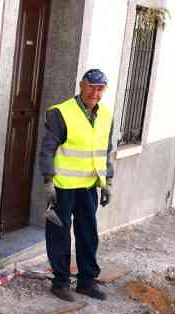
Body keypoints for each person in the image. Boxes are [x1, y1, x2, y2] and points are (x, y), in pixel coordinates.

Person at [38, 69, 115, 301]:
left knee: (88, 235)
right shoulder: (60, 113)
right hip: (62, 186)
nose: (95, 93)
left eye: (100, 89)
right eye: (91, 87)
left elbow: (106, 150)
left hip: (89, 186)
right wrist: (48, 181)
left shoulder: (106, 116)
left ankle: (86, 281)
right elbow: (47, 149)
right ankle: (60, 282)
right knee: (60, 235)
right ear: (81, 85)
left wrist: (107, 181)